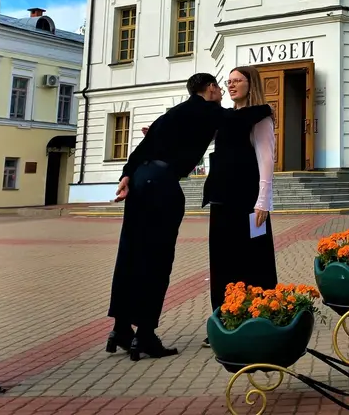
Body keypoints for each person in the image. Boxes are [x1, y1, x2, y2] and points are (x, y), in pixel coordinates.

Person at [106, 72, 273, 361]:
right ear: (210, 89)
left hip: (140, 180)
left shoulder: (174, 113)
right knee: (157, 257)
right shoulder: (209, 111)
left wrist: (126, 175)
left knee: (130, 254)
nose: (224, 90)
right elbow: (237, 121)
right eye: (221, 87)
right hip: (162, 185)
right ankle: (144, 334)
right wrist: (266, 109)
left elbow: (144, 146)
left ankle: (120, 328)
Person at [201, 65, 279, 347]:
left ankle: (259, 316)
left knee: (252, 259)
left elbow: (266, 159)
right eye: (228, 81)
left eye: (237, 81)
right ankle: (224, 318)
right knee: (222, 262)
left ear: (250, 84)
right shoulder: (227, 117)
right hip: (222, 201)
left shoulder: (259, 117)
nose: (231, 86)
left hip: (248, 203)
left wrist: (263, 200)